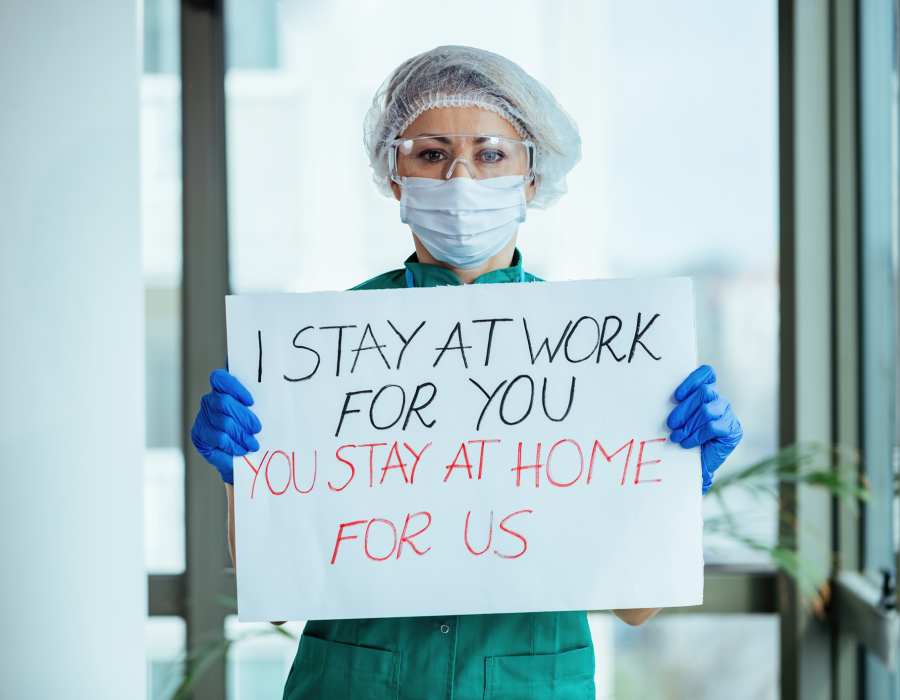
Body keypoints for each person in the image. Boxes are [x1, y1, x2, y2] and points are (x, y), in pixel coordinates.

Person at [191, 45, 743, 700]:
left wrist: (678, 482)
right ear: (395, 173)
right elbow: (280, 598)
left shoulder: (598, 352)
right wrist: (246, 480)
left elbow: (635, 609)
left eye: (489, 154)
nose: (460, 179)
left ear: (531, 175)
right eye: (431, 154)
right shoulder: (315, 352)